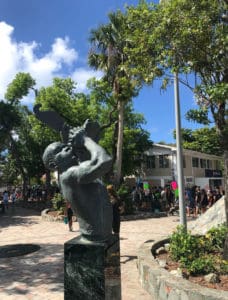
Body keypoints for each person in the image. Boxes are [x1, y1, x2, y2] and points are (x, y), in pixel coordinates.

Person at [42, 119, 113, 243]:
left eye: (65, 146)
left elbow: (87, 159)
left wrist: (83, 138)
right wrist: (86, 139)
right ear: (54, 164)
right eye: (61, 150)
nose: (67, 149)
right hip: (95, 235)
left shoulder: (70, 175)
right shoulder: (70, 175)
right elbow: (103, 161)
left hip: (98, 234)